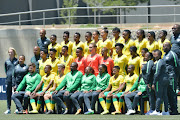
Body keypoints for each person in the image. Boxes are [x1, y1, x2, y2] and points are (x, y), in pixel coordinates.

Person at [150, 49, 169, 115]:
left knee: (158, 96)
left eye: (156, 54)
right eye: (154, 54)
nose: (155, 56)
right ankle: (166, 111)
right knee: (164, 96)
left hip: (160, 80)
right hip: (165, 79)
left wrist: (154, 82)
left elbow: (157, 72)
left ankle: (157, 111)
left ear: (160, 55)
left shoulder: (159, 62)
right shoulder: (162, 61)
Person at [163, 42, 179, 115]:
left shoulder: (172, 54)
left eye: (165, 46)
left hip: (172, 76)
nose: (164, 48)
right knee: (167, 93)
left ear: (170, 47)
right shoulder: (164, 55)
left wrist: (176, 76)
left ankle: (175, 110)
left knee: (172, 93)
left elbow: (177, 65)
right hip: (166, 77)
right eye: (163, 46)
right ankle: (170, 109)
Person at [4, 47, 18, 114]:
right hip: (8, 80)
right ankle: (8, 109)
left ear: (14, 53)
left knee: (15, 95)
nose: (10, 53)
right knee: (8, 95)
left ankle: (17, 108)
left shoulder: (17, 61)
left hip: (15, 80)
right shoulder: (7, 61)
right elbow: (6, 71)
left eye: (11, 52)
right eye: (9, 52)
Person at [170, 24, 180, 90]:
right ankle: (175, 86)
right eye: (172, 28)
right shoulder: (172, 37)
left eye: (175, 28)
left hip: (179, 58)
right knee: (174, 72)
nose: (173, 30)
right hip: (173, 58)